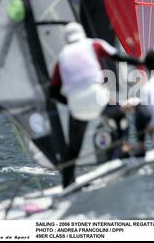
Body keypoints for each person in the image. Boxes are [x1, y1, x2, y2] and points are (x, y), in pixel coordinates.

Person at [49, 22, 142, 188]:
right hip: (97, 97)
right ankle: (124, 151)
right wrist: (141, 61)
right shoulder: (94, 44)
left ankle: (67, 184)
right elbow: (119, 57)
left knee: (73, 148)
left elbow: (53, 92)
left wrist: (69, 104)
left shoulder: (61, 58)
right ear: (82, 33)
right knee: (120, 114)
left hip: (76, 106)